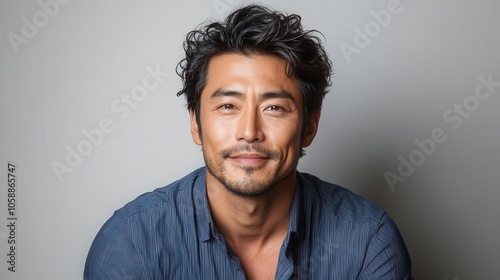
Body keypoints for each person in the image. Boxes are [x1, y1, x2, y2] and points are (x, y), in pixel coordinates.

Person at [84, 4, 412, 279]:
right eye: (228, 106)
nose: (249, 131)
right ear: (196, 123)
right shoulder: (130, 243)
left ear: (310, 126)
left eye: (275, 107)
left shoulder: (368, 241)